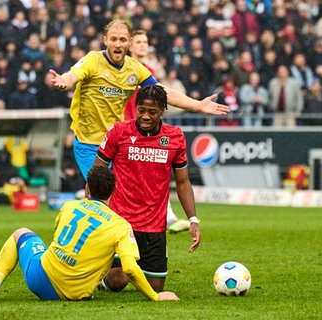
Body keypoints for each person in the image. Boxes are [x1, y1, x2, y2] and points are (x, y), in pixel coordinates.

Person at [0, 166, 179, 302]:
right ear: (114, 191)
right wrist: (155, 296)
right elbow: (130, 268)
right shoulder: (121, 226)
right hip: (75, 294)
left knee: (21, 233)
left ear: (87, 189)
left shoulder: (70, 206)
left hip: (40, 279)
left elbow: (59, 234)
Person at [49, 19, 229, 180]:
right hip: (89, 143)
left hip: (116, 143)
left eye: (122, 40)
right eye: (113, 39)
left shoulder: (135, 69)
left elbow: (163, 92)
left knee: (122, 194)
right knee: (104, 191)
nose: (117, 44)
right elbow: (74, 74)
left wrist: (197, 105)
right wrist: (65, 80)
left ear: (128, 43)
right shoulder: (93, 60)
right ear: (105, 41)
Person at [93, 85, 201, 293]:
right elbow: (97, 172)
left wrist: (193, 220)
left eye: (152, 112)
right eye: (141, 110)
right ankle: (103, 277)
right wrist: (96, 210)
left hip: (154, 225)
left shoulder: (175, 138)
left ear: (162, 110)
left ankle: (136, 267)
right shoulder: (119, 132)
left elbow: (182, 182)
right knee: (117, 281)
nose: (145, 116)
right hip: (120, 223)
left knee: (156, 287)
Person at [123, 29, 190, 234]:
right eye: (139, 42)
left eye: (145, 42)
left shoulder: (149, 71)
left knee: (156, 172)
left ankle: (167, 215)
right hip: (127, 128)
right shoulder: (123, 70)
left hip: (147, 130)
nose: (143, 45)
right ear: (129, 46)